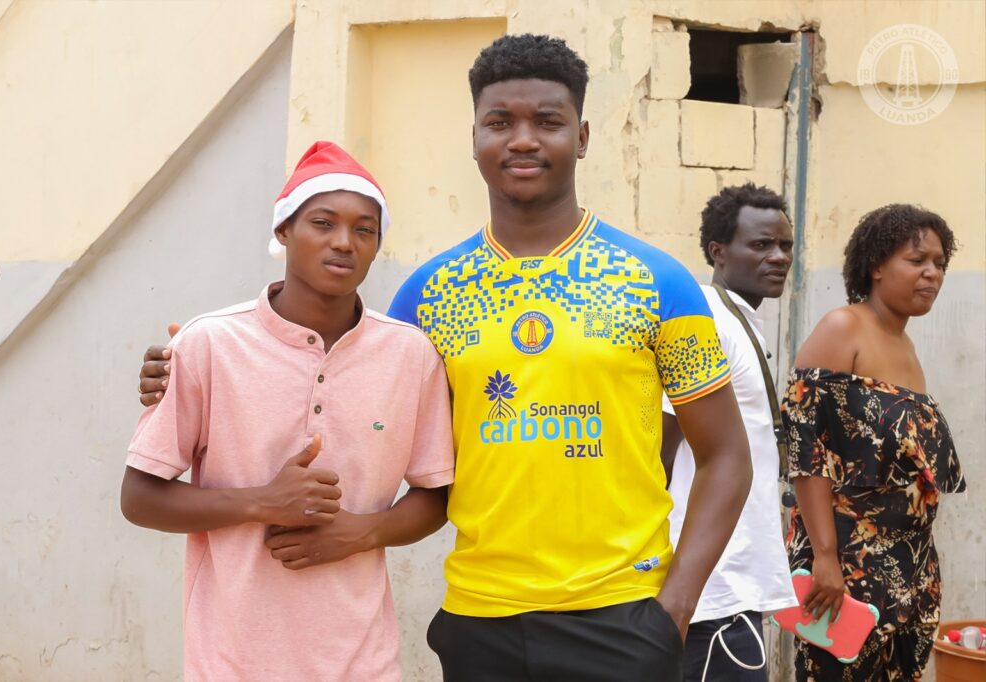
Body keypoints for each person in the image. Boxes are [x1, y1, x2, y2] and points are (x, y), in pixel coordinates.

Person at [138, 34, 753, 681]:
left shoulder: (658, 283)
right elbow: (338, 380)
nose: (522, 140)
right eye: (500, 122)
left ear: (582, 137)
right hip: (477, 621)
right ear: (475, 138)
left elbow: (726, 456)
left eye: (547, 122)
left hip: (621, 616)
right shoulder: (427, 296)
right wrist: (185, 369)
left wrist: (673, 611)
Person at [121, 141, 455, 681]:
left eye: (364, 230)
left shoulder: (411, 355)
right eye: (322, 223)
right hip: (232, 662)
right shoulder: (209, 344)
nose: (343, 241)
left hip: (364, 662)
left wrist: (362, 532)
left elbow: (435, 495)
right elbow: (139, 499)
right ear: (283, 230)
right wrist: (261, 501)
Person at [781, 203, 965, 681]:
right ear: (877, 266)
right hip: (847, 566)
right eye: (917, 260)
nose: (932, 273)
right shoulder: (843, 328)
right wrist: (825, 558)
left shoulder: (906, 347)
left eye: (939, 263)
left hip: (909, 569)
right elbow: (807, 451)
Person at [659, 183, 798, 681]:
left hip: (730, 582)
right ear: (718, 252)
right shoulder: (708, 321)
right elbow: (659, 447)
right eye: (761, 245)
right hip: (708, 591)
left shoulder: (738, 319)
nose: (778, 257)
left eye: (785, 245)